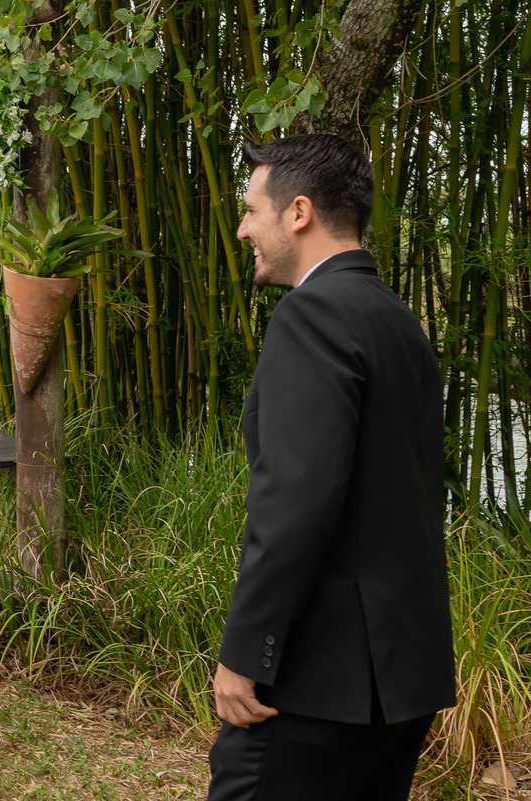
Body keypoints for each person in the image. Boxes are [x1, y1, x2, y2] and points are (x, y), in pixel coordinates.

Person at [208, 134, 455, 801]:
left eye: (251, 210)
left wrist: (245, 653)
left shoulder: (311, 315)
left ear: (299, 212)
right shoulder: (400, 324)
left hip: (320, 681)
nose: (242, 229)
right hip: (401, 682)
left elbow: (296, 501)